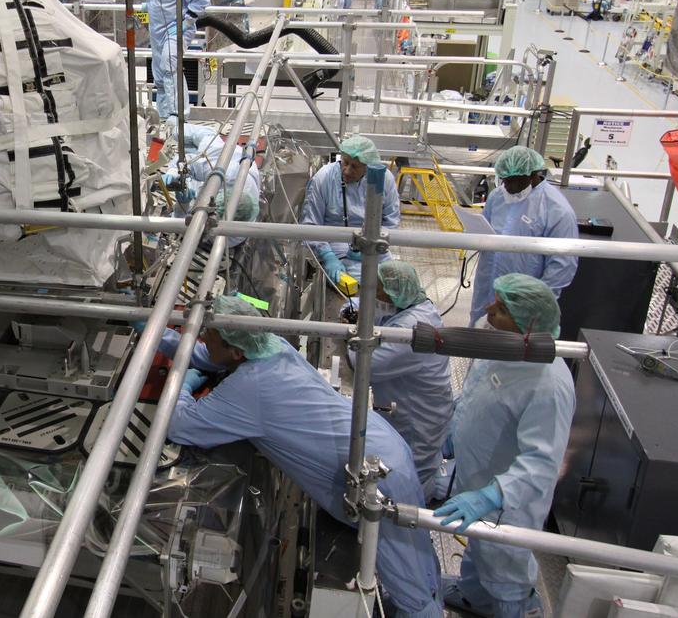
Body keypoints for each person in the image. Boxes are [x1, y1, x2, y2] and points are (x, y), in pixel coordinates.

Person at [165, 294, 442, 618]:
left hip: (376, 477)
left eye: (206, 336)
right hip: (382, 443)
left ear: (235, 350)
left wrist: (181, 387)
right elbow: (210, 355)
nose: (202, 341)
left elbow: (179, 425)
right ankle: (435, 591)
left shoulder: (249, 388)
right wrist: (160, 334)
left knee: (408, 584)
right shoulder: (271, 344)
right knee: (417, 550)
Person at [436, 274, 574, 618]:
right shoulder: (501, 345)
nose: (488, 309)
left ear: (527, 326)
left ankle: (515, 609)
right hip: (477, 474)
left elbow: (541, 463)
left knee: (505, 570)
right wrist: (454, 431)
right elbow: (476, 392)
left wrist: (490, 496)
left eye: (500, 309)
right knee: (479, 551)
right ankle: (473, 597)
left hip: (507, 502)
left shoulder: (548, 384)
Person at [469, 145, 578, 326]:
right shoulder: (498, 197)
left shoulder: (557, 210)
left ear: (532, 175)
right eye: (503, 180)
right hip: (487, 287)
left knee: (513, 347)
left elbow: (562, 267)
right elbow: (484, 230)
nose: (506, 186)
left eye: (513, 181)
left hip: (520, 306)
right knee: (480, 338)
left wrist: (535, 306)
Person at [370, 260, 453, 496]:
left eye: (378, 290)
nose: (373, 294)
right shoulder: (416, 307)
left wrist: (352, 337)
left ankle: (414, 511)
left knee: (411, 473)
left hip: (416, 417)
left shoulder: (411, 330)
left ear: (394, 293)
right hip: (416, 406)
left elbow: (366, 363)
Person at [300, 134, 400, 283]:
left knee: (396, 282)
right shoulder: (324, 177)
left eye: (355, 167)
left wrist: (373, 245)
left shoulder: (384, 179)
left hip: (375, 246)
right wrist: (328, 256)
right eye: (345, 162)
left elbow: (391, 222)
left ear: (368, 166)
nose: (347, 170)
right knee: (364, 283)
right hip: (335, 247)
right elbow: (310, 225)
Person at [140, 0, 211, 122]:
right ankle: (164, 118)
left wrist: (186, 22)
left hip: (177, 28)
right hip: (157, 30)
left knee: (170, 64)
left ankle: (178, 116)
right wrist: (148, 6)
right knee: (159, 75)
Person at [161, 124, 260, 245]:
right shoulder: (226, 173)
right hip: (223, 154)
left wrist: (183, 204)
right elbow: (189, 164)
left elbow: (187, 229)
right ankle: (173, 124)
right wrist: (173, 172)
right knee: (184, 132)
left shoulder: (233, 236)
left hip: (231, 170)